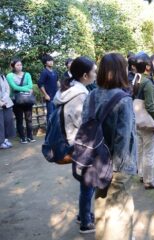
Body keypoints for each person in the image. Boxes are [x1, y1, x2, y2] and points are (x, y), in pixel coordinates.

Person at [81, 53, 137, 239]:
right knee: (119, 211)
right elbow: (123, 137)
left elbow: (85, 127)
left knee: (101, 204)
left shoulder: (91, 96)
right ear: (122, 71)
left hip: (95, 161)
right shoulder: (124, 99)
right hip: (117, 165)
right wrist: (118, 169)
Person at [53, 56, 97, 234]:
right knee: (89, 182)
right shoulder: (80, 95)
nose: (96, 74)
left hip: (69, 140)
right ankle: (85, 221)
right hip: (78, 143)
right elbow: (84, 125)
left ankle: (83, 214)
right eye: (94, 71)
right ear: (85, 75)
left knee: (85, 182)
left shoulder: (68, 89)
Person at [135, 52, 154, 189]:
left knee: (140, 150)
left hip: (138, 122)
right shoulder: (147, 83)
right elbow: (151, 106)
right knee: (150, 152)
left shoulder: (136, 79)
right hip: (148, 123)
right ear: (147, 66)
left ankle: (142, 175)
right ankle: (149, 180)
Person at [6, 59, 35, 143]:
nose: (20, 66)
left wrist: (25, 89)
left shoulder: (27, 74)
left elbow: (30, 85)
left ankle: (30, 136)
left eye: (21, 65)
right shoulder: (10, 75)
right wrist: (26, 89)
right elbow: (14, 87)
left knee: (29, 119)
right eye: (17, 65)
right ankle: (22, 137)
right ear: (13, 66)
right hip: (16, 100)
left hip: (27, 99)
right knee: (19, 119)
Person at [37, 54, 58, 121]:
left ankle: (55, 130)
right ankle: (49, 130)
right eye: (49, 61)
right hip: (49, 97)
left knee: (56, 114)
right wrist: (45, 95)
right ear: (45, 63)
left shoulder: (55, 72)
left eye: (51, 60)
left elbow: (57, 82)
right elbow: (40, 84)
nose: (51, 62)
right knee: (50, 114)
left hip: (56, 96)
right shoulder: (44, 72)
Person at [0, 73, 16, 149]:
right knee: (0, 124)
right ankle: (1, 142)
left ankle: (5, 139)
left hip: (6, 102)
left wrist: (4, 99)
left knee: (7, 121)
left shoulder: (2, 76)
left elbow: (7, 88)